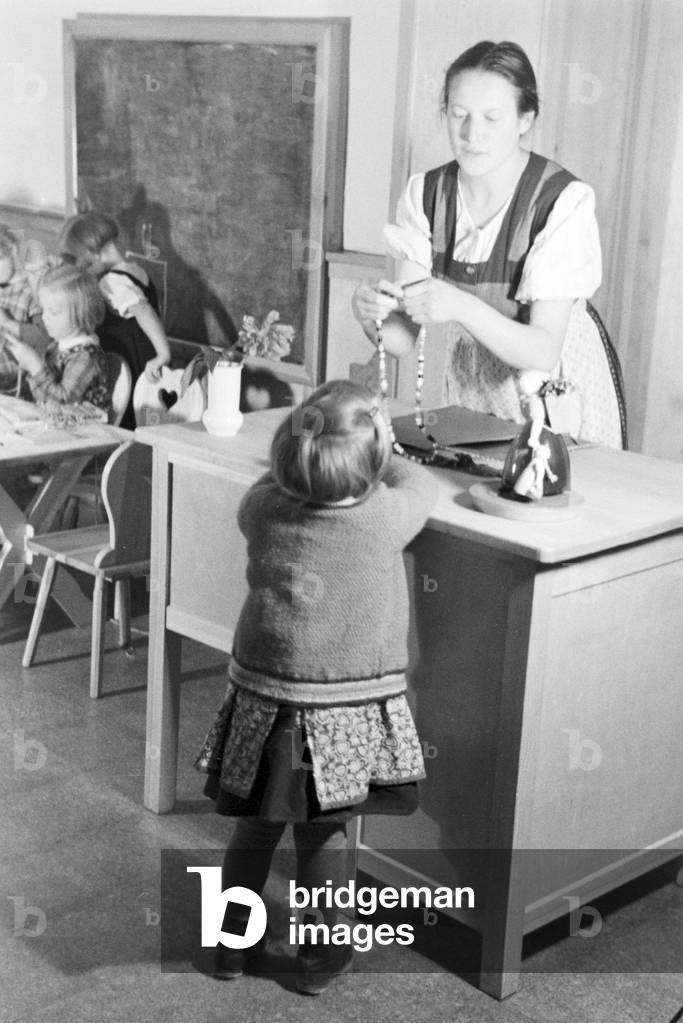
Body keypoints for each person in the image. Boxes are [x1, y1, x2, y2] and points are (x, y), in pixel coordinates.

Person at [195, 379, 438, 995]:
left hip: (265, 701)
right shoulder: (382, 515)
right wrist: (392, 450)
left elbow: (263, 485)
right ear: (372, 461)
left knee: (253, 827)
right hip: (341, 712)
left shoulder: (263, 509)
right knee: (324, 835)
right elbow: (424, 486)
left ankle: (229, 948)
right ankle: (319, 963)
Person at [352, 40, 625, 449]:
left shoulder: (561, 201)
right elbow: (403, 341)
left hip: (558, 392)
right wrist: (368, 313)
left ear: (524, 119)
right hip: (476, 387)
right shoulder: (425, 195)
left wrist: (459, 305)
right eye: (458, 115)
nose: (471, 135)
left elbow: (542, 352)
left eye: (491, 118)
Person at [59, 212, 171, 427]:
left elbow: (143, 310)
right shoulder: (134, 271)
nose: (84, 269)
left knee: (130, 423)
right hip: (142, 365)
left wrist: (163, 354)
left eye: (84, 263)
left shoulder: (112, 282)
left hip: (134, 369)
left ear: (95, 254)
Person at [1, 265, 109, 411]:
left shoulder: (86, 356)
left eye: (54, 312)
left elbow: (63, 403)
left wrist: (35, 366)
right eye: (44, 310)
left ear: (81, 314)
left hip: (84, 431)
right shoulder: (56, 347)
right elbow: (42, 395)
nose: (45, 317)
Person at [0, 225, 44, 393]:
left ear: (12, 250)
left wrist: (8, 322)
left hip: (14, 374)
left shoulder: (33, 291)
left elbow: (45, 338)